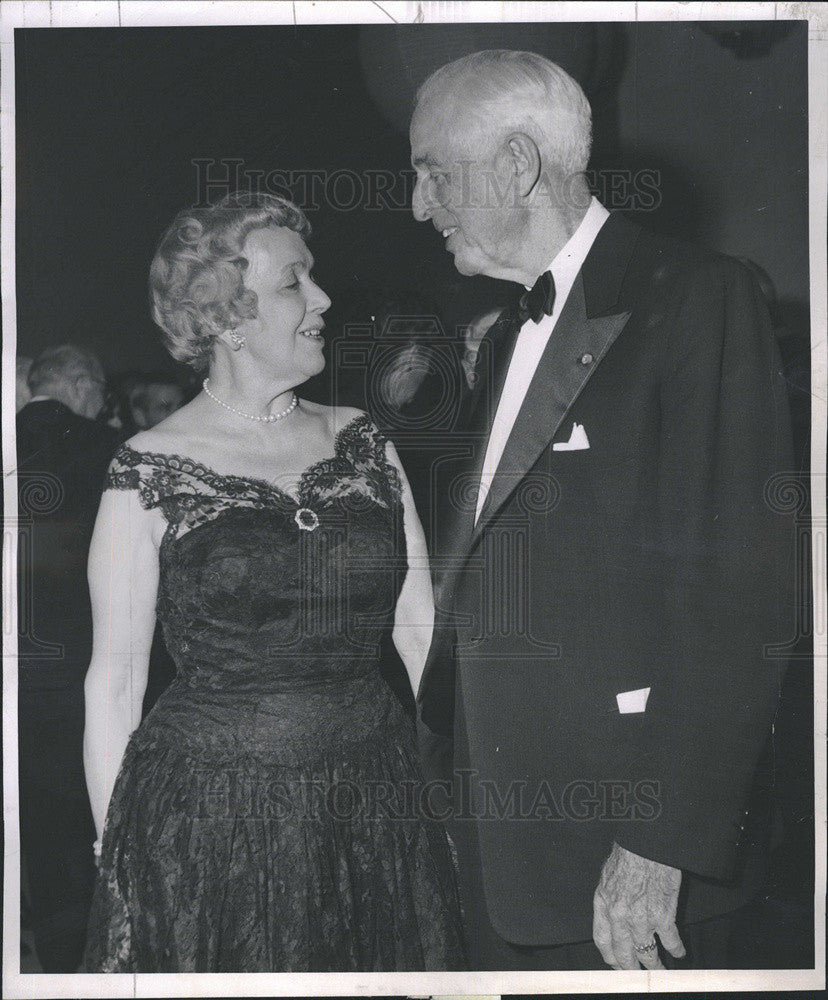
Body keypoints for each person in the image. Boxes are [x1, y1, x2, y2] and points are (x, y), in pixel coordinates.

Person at [410, 50, 795, 971]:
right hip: (503, 846)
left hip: (628, 868)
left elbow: (742, 595)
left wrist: (660, 840)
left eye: (432, 171)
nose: (420, 205)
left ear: (516, 165)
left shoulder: (702, 298)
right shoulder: (505, 336)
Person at [82, 192, 464, 972]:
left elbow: (422, 631)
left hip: (374, 802)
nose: (323, 299)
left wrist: (459, 792)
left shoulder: (361, 440)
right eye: (296, 282)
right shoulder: (147, 469)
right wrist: (116, 856)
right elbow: (114, 684)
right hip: (210, 824)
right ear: (226, 315)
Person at [16, 344, 118, 971]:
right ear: (82, 385)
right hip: (75, 668)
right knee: (74, 825)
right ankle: (75, 962)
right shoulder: (102, 450)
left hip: (15, 666)